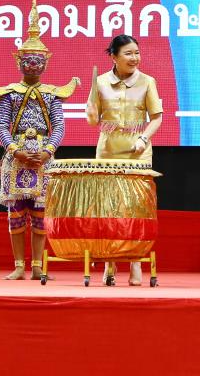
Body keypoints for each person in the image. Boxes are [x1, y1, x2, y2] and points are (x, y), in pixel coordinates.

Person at [0, 0, 79, 281]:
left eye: (38, 61)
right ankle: (18, 266)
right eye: (28, 60)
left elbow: (59, 127)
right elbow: (1, 126)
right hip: (16, 158)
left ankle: (37, 265)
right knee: (16, 214)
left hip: (43, 158)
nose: (33, 65)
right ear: (19, 62)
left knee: (40, 214)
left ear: (45, 63)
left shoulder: (52, 95)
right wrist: (15, 150)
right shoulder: (10, 94)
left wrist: (48, 151)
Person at [85, 34, 164, 286]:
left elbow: (157, 117)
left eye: (136, 53)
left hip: (138, 153)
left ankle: (135, 262)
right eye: (128, 53)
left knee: (136, 209)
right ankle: (110, 262)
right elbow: (93, 121)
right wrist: (91, 113)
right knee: (109, 209)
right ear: (114, 57)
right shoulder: (100, 82)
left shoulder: (147, 82)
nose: (134, 58)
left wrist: (143, 138)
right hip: (107, 152)